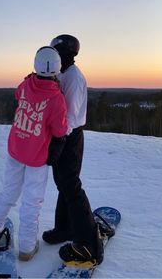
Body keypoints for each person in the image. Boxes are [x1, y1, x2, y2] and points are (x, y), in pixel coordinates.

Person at [0, 46, 68, 261]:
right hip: (37, 157)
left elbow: (19, 94)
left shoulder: (26, 84)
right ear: (58, 68)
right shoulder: (56, 98)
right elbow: (60, 130)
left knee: (8, 192)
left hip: (16, 149)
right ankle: (27, 248)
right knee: (32, 201)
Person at [42, 34, 113, 267]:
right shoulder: (63, 74)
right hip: (64, 136)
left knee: (71, 186)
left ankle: (88, 244)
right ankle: (65, 228)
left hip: (70, 137)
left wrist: (59, 141)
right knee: (63, 184)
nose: (55, 57)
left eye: (57, 53)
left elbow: (70, 116)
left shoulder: (73, 77)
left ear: (68, 54)